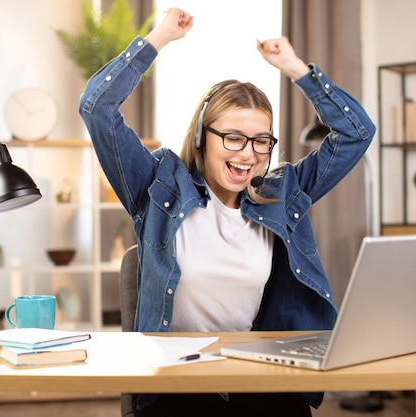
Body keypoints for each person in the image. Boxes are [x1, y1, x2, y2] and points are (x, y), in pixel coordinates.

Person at [79, 8, 375, 417]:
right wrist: (160, 36)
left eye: (260, 141)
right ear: (202, 136)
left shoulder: (281, 195)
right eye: (233, 138)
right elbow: (97, 108)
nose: (248, 155)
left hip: (255, 372)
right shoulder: (158, 185)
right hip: (176, 381)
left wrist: (294, 67)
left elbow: (357, 133)